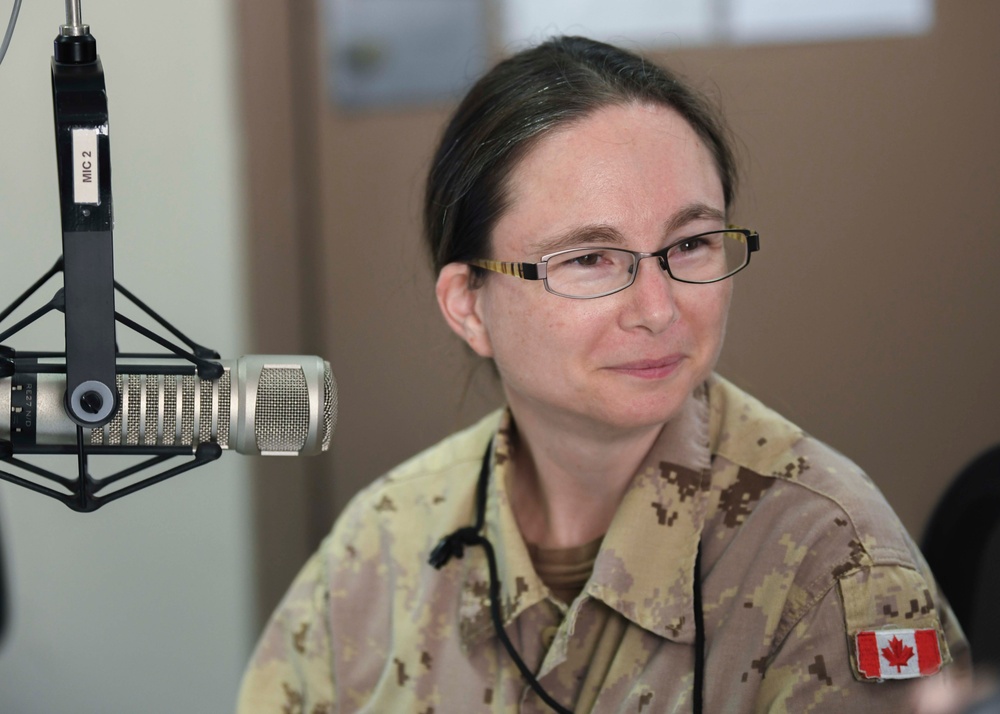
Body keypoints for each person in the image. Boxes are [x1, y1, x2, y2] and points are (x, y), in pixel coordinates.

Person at [237, 36, 969, 713]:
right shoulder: (383, 543)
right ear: (468, 306)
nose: (658, 310)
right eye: (588, 258)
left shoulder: (829, 560)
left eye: (691, 245)